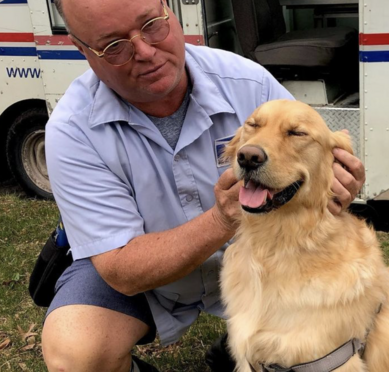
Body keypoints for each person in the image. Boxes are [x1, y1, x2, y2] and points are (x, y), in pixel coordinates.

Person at [41, 0, 365, 371]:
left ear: (170, 10)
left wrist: (339, 179)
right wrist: (223, 218)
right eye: (115, 46)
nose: (145, 52)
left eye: (151, 25)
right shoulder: (72, 130)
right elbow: (121, 268)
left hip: (255, 260)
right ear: (83, 50)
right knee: (76, 352)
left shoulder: (249, 82)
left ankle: (242, 341)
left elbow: (310, 155)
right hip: (147, 283)